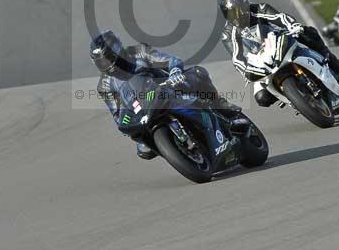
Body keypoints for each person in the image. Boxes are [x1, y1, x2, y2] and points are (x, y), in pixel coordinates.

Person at [91, 29, 246, 160]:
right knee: (143, 147)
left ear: (117, 48)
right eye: (102, 62)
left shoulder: (138, 52)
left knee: (198, 73)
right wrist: (128, 127)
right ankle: (176, 148)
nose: (107, 63)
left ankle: (219, 104)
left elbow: (169, 60)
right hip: (144, 108)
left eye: (108, 57)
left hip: (168, 87)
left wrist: (175, 71)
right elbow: (117, 113)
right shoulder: (104, 86)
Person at [219, 0, 339, 109]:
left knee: (307, 32)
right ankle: (294, 97)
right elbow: (237, 57)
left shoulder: (259, 9)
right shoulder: (228, 34)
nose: (236, 16)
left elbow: (280, 17)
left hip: (278, 41)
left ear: (245, 5)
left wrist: (293, 25)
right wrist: (246, 72)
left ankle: (332, 61)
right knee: (262, 98)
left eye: (239, 10)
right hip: (260, 61)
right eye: (230, 13)